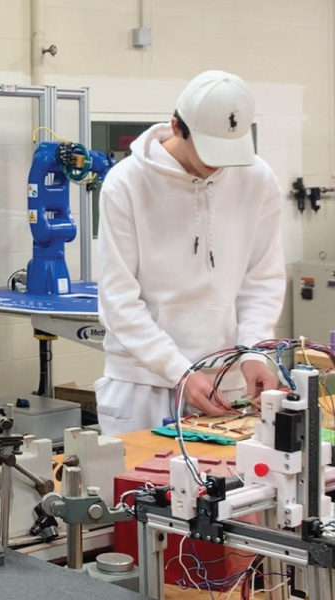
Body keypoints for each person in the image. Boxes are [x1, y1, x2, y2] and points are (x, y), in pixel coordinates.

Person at [95, 70, 286, 435]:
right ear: (177, 127)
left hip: (228, 387)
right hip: (143, 385)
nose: (219, 163)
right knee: (142, 490)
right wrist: (178, 369)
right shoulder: (126, 183)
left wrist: (254, 352)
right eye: (210, 149)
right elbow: (119, 300)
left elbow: (261, 281)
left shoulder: (258, 179)